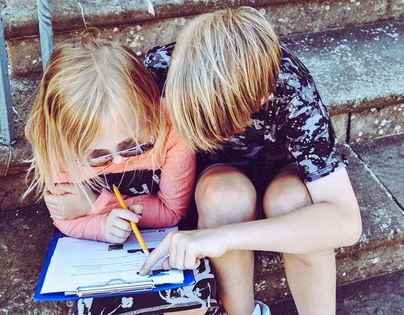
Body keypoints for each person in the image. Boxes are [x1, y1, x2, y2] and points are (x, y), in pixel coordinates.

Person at [140, 7, 362, 315]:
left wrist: (222, 237)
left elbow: (346, 221)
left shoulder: (290, 89)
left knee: (293, 201)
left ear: (261, 100)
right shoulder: (161, 69)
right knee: (224, 197)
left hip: (282, 173)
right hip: (216, 182)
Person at [24, 37, 217, 314]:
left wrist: (94, 205)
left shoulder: (172, 130)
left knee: (191, 304)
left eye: (133, 146)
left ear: (150, 109)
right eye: (97, 155)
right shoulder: (57, 147)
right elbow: (65, 219)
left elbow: (172, 212)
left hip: (167, 242)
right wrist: (101, 226)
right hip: (100, 257)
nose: (115, 161)